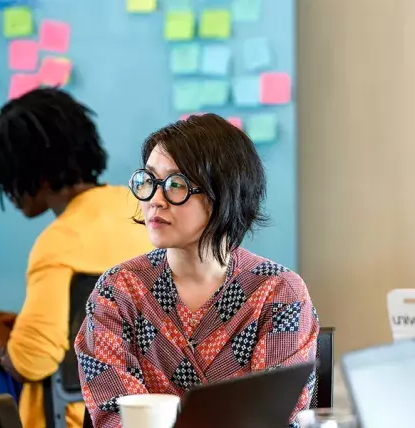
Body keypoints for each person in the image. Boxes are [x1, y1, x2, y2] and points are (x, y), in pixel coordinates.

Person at [74, 114, 320, 428]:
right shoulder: (118, 289)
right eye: (149, 181)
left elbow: (274, 419)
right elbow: (115, 416)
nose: (155, 200)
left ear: (224, 192)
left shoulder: (279, 291)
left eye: (176, 185)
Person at [0, 88, 153, 428]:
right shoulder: (144, 211)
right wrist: (27, 322)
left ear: (32, 175)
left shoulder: (58, 242)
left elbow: (33, 362)